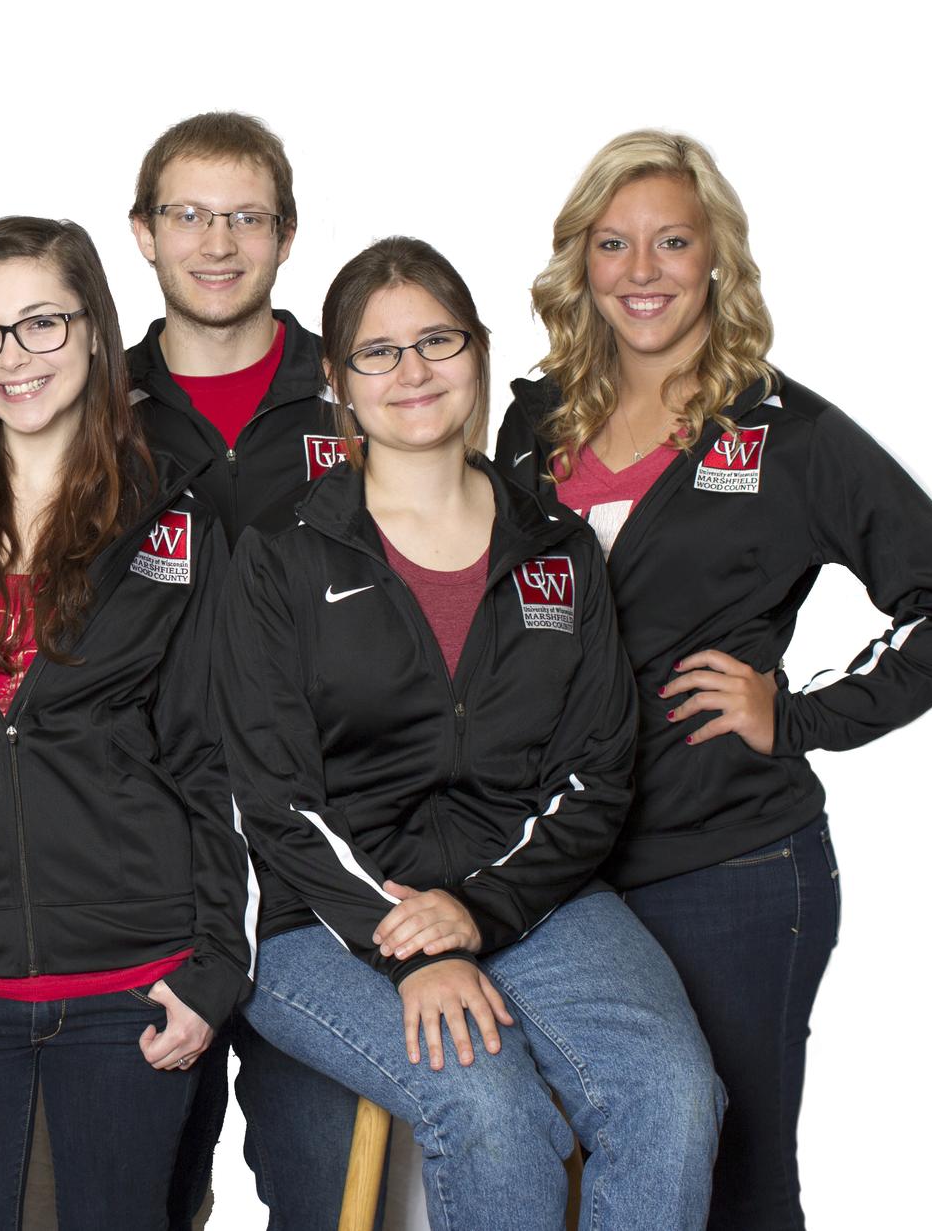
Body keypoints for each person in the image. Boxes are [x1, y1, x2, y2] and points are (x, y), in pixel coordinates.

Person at [494, 130, 932, 1229]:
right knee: (574, 1171)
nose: (642, 271)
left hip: (729, 867)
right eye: (614, 243)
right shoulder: (535, 422)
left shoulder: (789, 435)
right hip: (557, 875)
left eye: (673, 242)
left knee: (737, 1182)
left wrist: (801, 715)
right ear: (580, 261)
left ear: (717, 257)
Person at [224, 236, 725, 1231]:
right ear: (338, 381)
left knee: (671, 1098)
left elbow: (596, 776)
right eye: (378, 351)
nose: (412, 371)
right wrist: (412, 946)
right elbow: (275, 799)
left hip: (535, 898)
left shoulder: (557, 549)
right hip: (327, 920)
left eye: (438, 341)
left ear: (479, 352)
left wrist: (479, 911)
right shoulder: (282, 556)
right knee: (491, 1109)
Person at [0, 217, 251, 1231]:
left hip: (135, 979)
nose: (12, 356)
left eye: (41, 323)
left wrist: (212, 966)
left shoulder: (177, 519)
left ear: (96, 330)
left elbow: (218, 758)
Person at [124, 110, 356, 1230]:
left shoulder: (364, 389)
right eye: (189, 215)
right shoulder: (86, 400)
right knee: (143, 1195)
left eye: (246, 218)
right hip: (142, 858)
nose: (217, 244)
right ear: (143, 233)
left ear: (287, 235)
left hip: (320, 861)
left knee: (328, 1186)